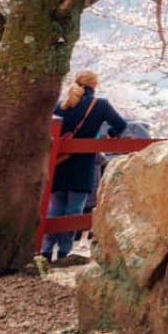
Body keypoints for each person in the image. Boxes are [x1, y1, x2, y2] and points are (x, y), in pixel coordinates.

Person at [40, 70, 126, 263]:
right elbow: (120, 125)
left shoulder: (61, 105)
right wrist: (111, 134)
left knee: (55, 207)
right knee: (74, 209)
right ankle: (63, 253)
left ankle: (45, 251)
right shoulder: (100, 105)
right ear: (94, 85)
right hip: (82, 164)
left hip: (59, 163)